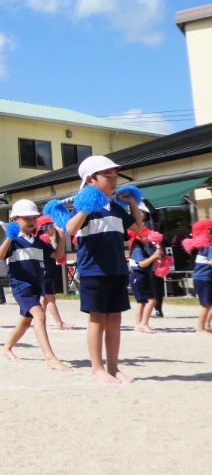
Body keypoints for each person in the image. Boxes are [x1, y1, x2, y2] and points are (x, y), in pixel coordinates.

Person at [66, 156, 143, 384]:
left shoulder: (116, 208)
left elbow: (138, 228)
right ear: (91, 180)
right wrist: (86, 208)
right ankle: (97, 368)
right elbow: (70, 228)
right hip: (93, 272)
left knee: (115, 320)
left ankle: (114, 368)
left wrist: (132, 203)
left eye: (115, 176)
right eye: (107, 177)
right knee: (97, 320)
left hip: (117, 270)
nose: (114, 181)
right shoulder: (83, 205)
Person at [0, 200, 71, 371]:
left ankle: (7, 348)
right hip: (20, 286)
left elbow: (57, 255)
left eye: (33, 218)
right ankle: (50, 358)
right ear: (15, 219)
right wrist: (9, 236)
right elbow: (0, 256)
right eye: (26, 218)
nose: (31, 221)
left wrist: (61, 235)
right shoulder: (13, 240)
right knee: (40, 315)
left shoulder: (38, 242)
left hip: (36, 286)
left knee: (25, 321)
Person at [36, 217, 71, 330]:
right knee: (50, 299)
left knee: (44, 298)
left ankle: (38, 320)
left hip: (44, 271)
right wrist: (61, 235)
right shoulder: (44, 238)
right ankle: (59, 323)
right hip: (45, 272)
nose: (53, 229)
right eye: (52, 227)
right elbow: (55, 255)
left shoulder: (42, 238)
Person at [128, 227, 161, 333]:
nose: (148, 238)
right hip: (139, 276)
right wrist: (154, 256)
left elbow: (148, 264)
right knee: (151, 301)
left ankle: (138, 324)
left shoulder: (141, 248)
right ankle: (144, 324)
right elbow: (142, 264)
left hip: (138, 277)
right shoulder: (137, 249)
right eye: (146, 236)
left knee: (142, 302)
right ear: (138, 236)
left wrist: (156, 258)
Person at [185, 219, 211, 335]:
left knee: (208, 304)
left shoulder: (205, 247)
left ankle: (206, 325)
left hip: (204, 278)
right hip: (203, 279)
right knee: (205, 305)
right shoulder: (209, 247)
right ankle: (200, 328)